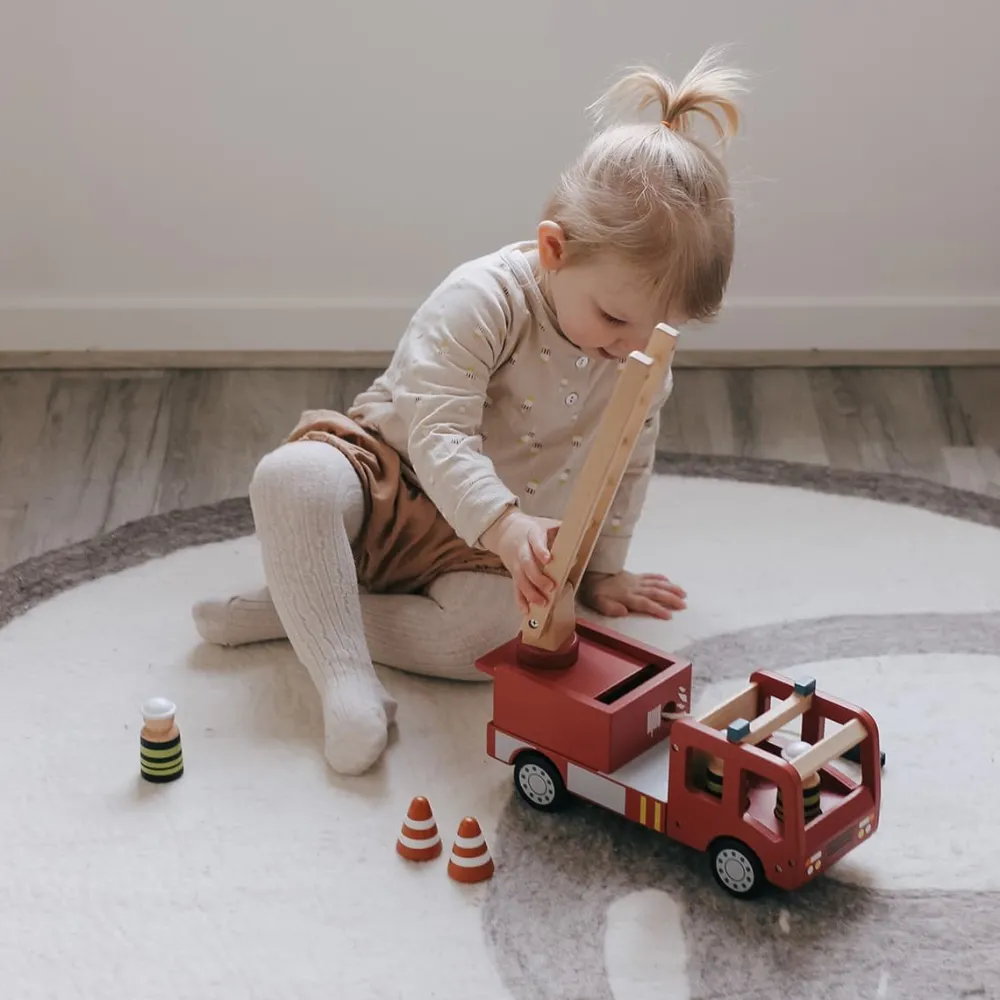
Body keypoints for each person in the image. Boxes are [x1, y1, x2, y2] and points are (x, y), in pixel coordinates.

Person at [192, 47, 746, 775]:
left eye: (657, 332)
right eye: (615, 319)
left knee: (511, 636)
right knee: (290, 479)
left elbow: (626, 461)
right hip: (392, 481)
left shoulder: (637, 356)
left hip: (486, 544)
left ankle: (298, 610)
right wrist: (507, 523)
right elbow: (439, 432)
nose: (632, 348)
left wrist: (603, 569)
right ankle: (345, 682)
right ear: (553, 250)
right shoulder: (483, 299)